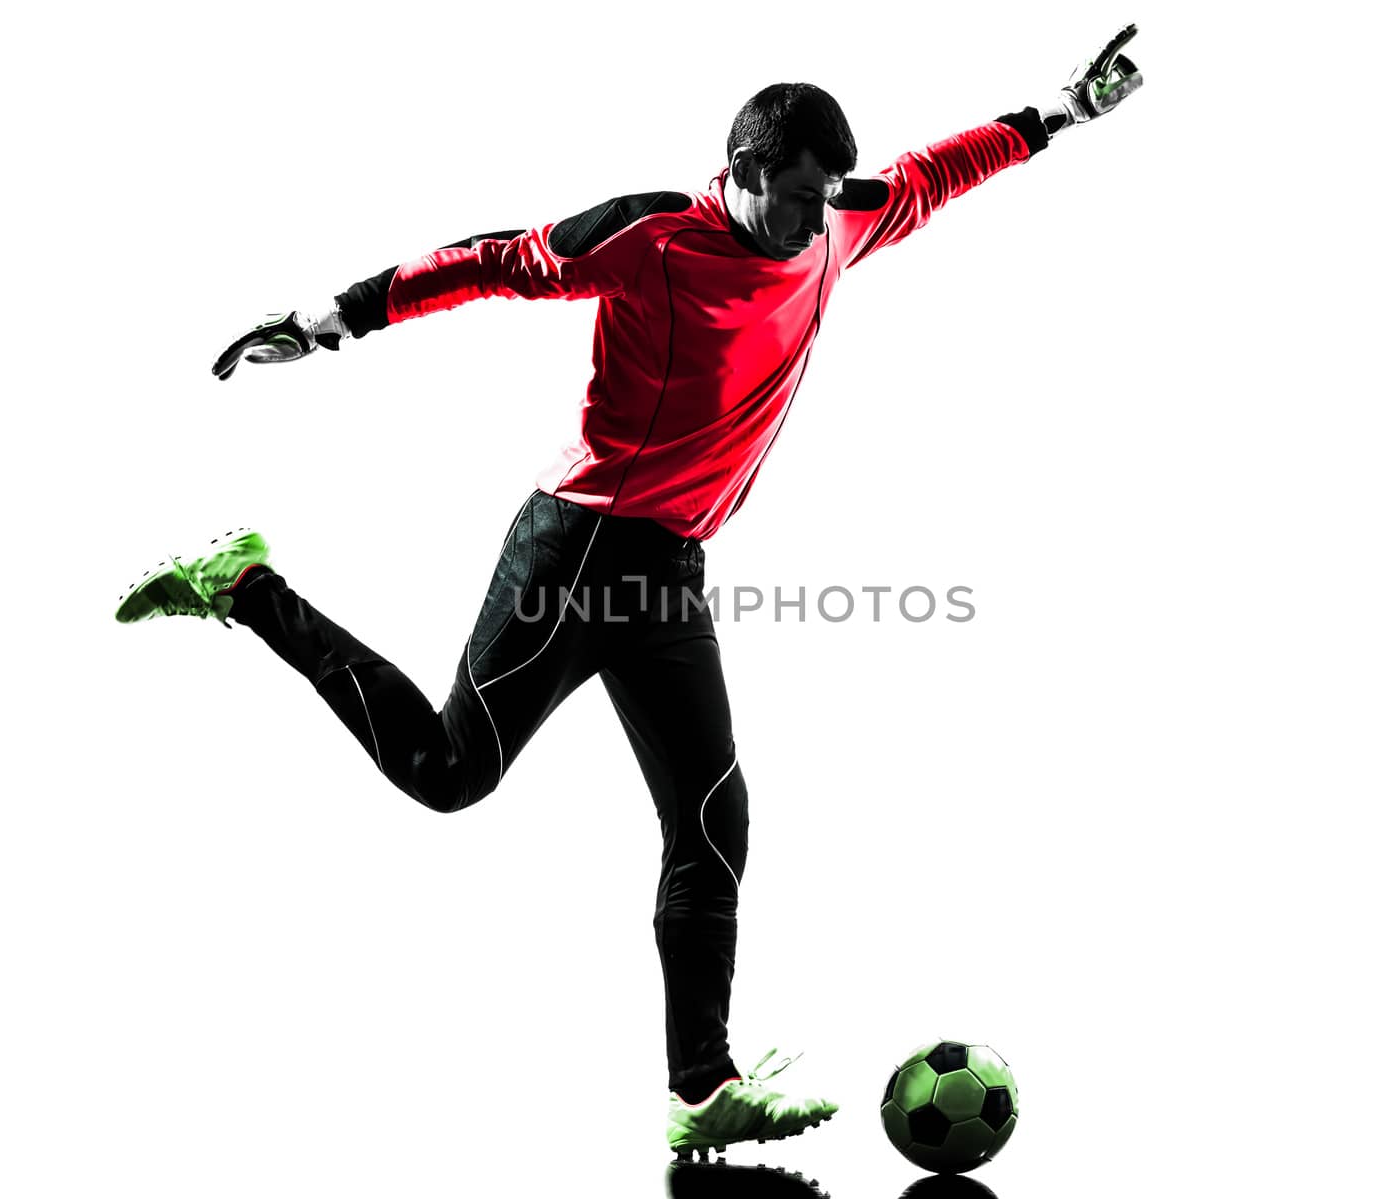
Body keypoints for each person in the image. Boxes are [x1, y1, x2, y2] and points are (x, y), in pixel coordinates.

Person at [116, 27, 1142, 1160]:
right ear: (743, 172)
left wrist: (1061, 112)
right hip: (574, 549)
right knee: (449, 774)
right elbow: (496, 258)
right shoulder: (653, 235)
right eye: (793, 195)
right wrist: (332, 319)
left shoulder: (835, 222)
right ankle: (245, 583)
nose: (813, 218)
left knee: (712, 819)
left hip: (664, 572)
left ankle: (701, 1088)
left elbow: (934, 175)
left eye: (824, 198)